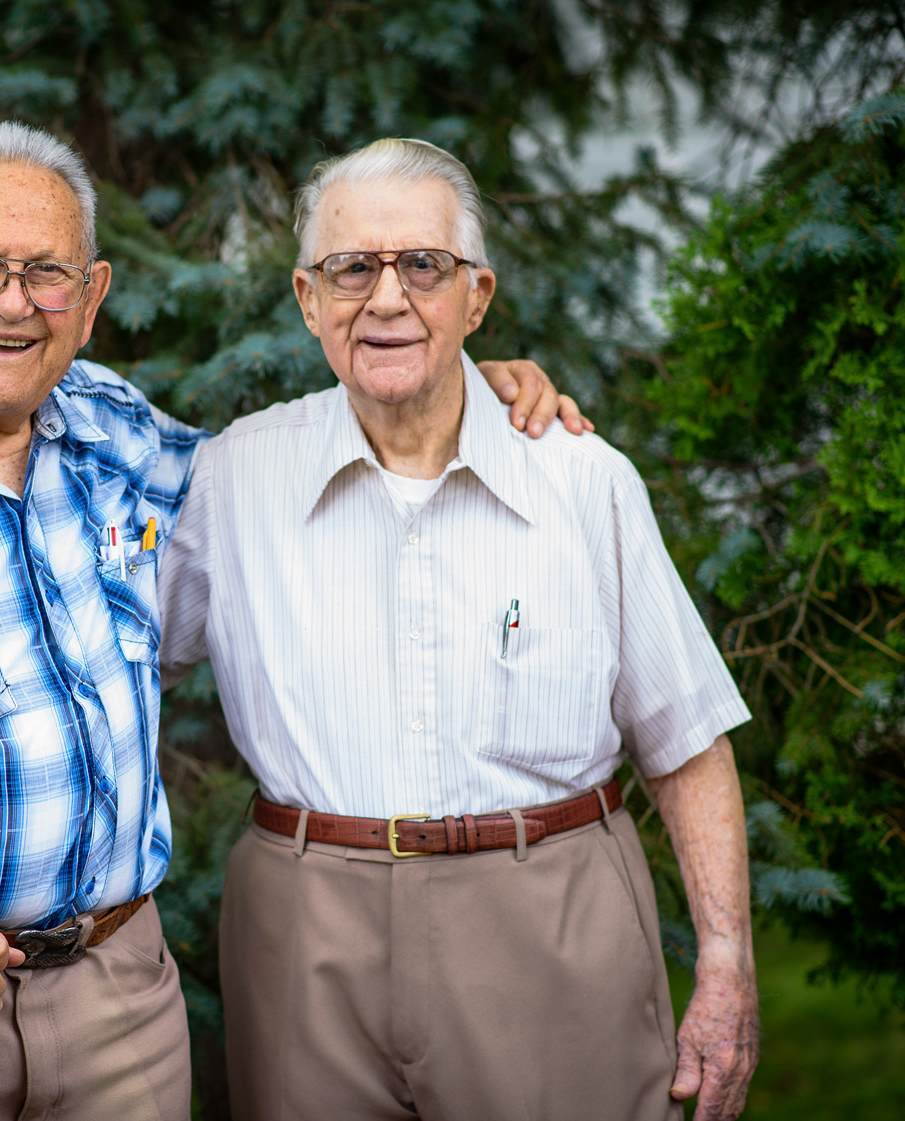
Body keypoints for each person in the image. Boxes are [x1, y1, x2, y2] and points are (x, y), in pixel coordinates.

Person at [0, 121, 573, 1121]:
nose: (12, 300)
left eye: (47, 273)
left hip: (121, 1007)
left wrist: (453, 383)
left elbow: (286, 488)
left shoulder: (111, 427)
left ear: (90, 301)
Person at [159, 138, 760, 1121]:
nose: (386, 297)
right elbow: (108, 663)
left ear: (476, 297)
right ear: (309, 301)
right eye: (352, 267)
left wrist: (728, 964)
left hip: (549, 924)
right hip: (304, 940)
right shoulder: (231, 479)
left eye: (422, 265)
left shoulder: (582, 479)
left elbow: (685, 736)